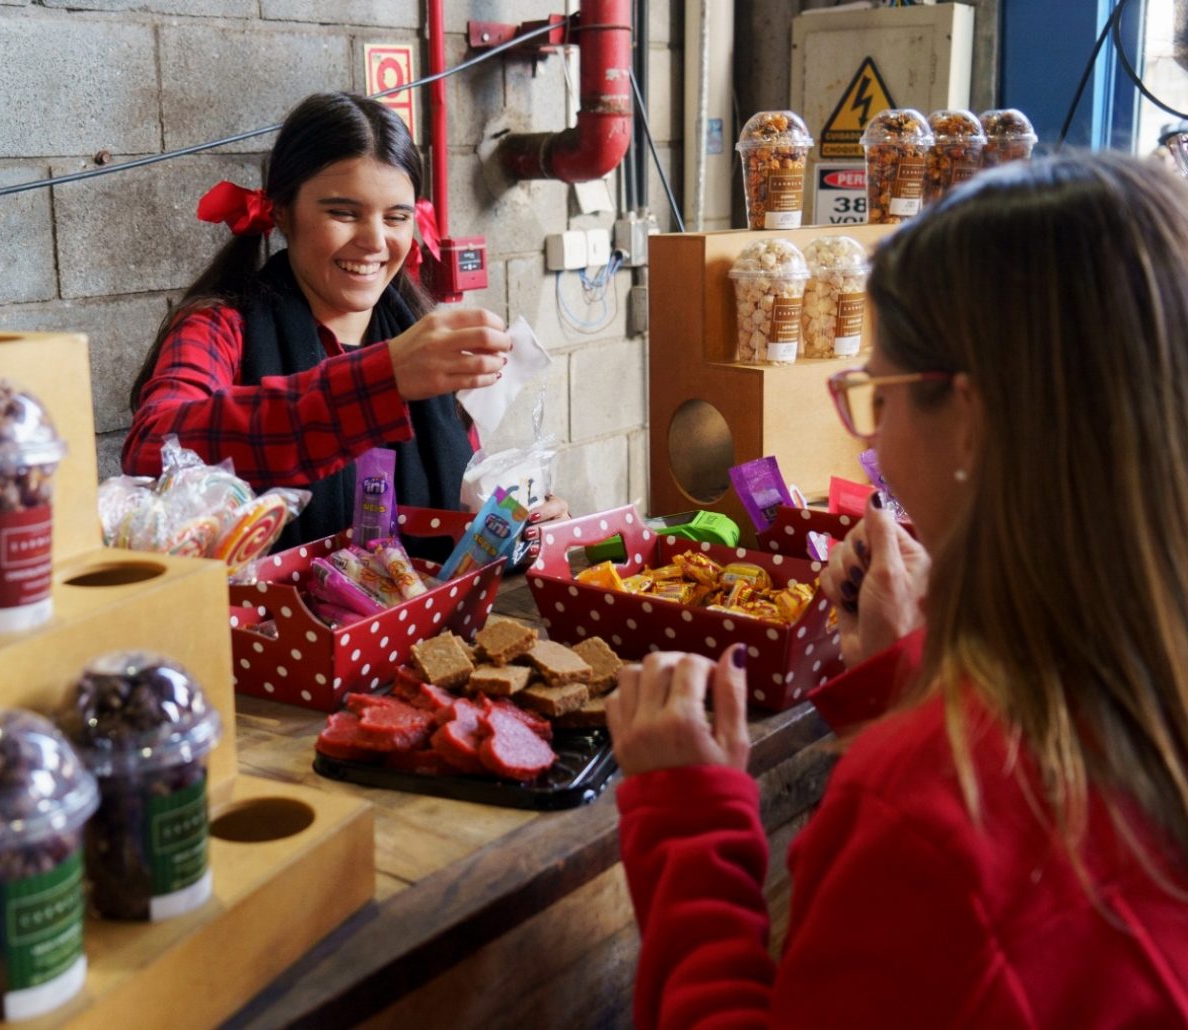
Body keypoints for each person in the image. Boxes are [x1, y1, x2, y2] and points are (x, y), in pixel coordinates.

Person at [606, 151, 1188, 1027]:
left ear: (971, 418)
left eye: (878, 392)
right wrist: (910, 677)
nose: (868, 437)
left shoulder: (923, 821)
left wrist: (691, 828)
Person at [123, 92, 565, 551]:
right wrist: (382, 379)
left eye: (396, 217)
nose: (375, 241)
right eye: (343, 213)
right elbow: (153, 449)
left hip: (428, 619)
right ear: (281, 211)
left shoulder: (421, 337)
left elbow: (465, 498)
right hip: (278, 621)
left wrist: (518, 523)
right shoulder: (221, 327)